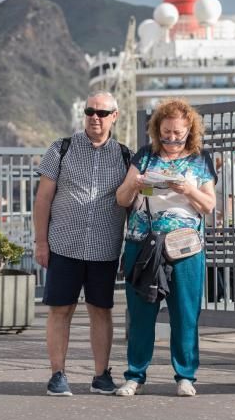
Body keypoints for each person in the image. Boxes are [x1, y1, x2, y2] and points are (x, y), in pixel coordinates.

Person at [115, 98, 216, 397]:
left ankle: (185, 375)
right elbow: (122, 198)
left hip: (185, 247)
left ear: (190, 131)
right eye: (166, 132)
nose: (171, 138)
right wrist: (138, 183)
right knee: (141, 312)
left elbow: (209, 205)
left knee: (185, 313)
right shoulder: (144, 157)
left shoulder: (200, 160)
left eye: (178, 133)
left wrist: (189, 189)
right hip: (143, 244)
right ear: (157, 130)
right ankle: (135, 375)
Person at [33, 90, 131, 396]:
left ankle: (101, 375)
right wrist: (40, 242)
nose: (95, 118)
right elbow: (43, 199)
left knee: (101, 310)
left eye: (102, 113)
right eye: (90, 111)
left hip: (104, 248)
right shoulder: (60, 149)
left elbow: (133, 202)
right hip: (64, 244)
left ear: (115, 116)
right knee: (60, 310)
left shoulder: (126, 156)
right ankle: (57, 374)